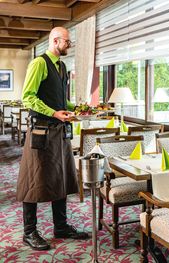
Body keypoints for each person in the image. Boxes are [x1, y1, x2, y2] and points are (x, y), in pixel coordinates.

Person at [17, 27, 88, 251]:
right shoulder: (39, 63)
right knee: (33, 181)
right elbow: (28, 98)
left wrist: (76, 108)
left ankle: (61, 226)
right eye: (67, 42)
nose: (70, 45)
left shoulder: (62, 66)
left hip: (60, 131)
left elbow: (60, 99)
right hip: (40, 131)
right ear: (55, 41)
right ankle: (29, 232)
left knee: (61, 177)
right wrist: (54, 112)